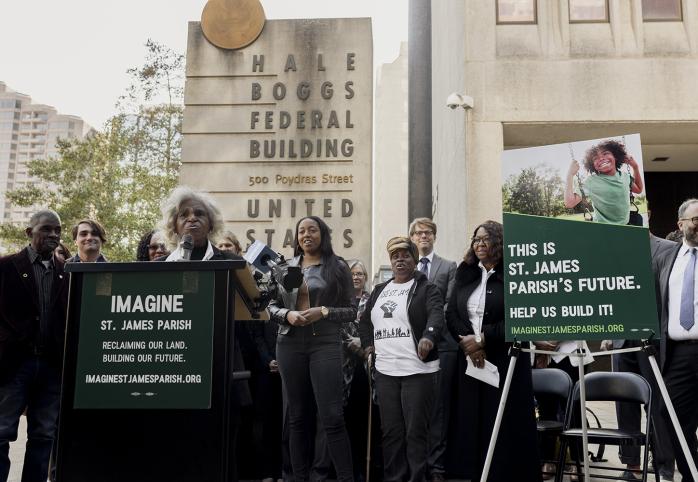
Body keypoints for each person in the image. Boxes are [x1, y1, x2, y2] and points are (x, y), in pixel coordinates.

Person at [445, 220, 541, 482]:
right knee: (470, 418)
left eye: (486, 239)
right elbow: (452, 312)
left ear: (499, 242)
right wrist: (468, 343)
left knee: (501, 420)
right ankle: (473, 473)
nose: (480, 244)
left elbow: (521, 316)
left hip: (504, 358)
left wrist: (483, 339)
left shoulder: (515, 274)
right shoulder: (466, 272)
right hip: (470, 360)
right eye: (476, 239)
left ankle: (503, 474)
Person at [267, 216, 356, 482]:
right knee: (296, 418)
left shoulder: (337, 267)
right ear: (297, 238)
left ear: (322, 235)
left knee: (332, 417)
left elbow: (352, 310)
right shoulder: (284, 267)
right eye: (301, 231)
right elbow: (269, 307)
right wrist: (287, 314)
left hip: (325, 343)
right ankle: (299, 477)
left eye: (312, 230)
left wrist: (324, 311)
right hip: (290, 343)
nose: (306, 235)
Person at [359, 236, 443, 482]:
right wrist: (367, 347)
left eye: (405, 255)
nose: (400, 259)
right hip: (385, 372)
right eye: (395, 256)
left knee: (415, 432)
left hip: (418, 371)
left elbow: (436, 316)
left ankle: (418, 477)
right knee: (392, 432)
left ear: (415, 260)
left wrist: (428, 338)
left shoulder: (427, 288)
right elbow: (365, 323)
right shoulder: (379, 291)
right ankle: (394, 478)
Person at [0, 209, 69, 482]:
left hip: (51, 367)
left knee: (44, 435)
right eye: (46, 229)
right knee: (2, 432)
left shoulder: (67, 271)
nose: (53, 235)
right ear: (29, 233)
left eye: (58, 230)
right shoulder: (6, 267)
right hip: (13, 365)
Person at [409, 217, 456, 482]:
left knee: (438, 410)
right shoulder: (404, 266)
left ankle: (436, 468)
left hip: (442, 347)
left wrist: (429, 332)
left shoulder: (449, 267)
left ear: (434, 237)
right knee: (414, 409)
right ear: (412, 237)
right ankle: (414, 467)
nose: (423, 236)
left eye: (428, 232)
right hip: (407, 349)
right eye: (418, 233)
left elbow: (450, 304)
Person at [655, 198, 698, 482]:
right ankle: (692, 473)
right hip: (678, 354)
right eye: (694, 219)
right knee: (670, 416)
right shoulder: (666, 257)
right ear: (681, 224)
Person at [564, 139, 643, 224]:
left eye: (605, 153)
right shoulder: (591, 181)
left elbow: (638, 189)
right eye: (595, 158)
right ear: (593, 165)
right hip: (603, 230)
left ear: (615, 156)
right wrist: (570, 175)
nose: (601, 158)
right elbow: (569, 203)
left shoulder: (625, 176)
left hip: (625, 225)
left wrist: (635, 167)